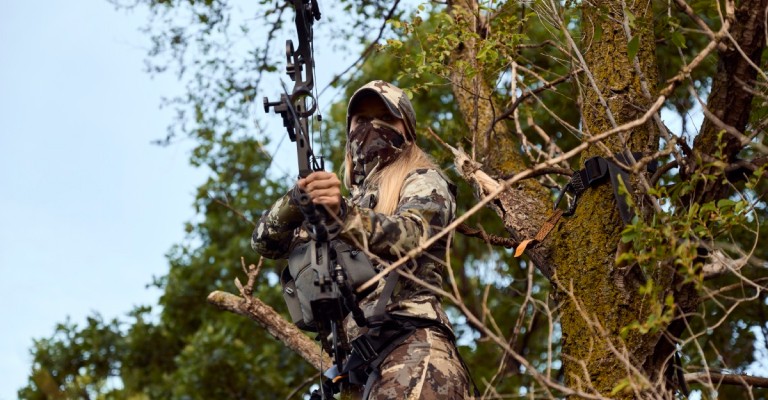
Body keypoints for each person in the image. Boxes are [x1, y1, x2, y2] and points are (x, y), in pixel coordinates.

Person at [252, 80, 473, 399]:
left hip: (413, 352)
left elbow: (414, 235)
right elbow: (264, 242)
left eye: (384, 116)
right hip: (359, 373)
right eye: (361, 119)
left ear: (406, 130)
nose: (371, 125)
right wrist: (299, 200)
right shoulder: (344, 203)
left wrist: (342, 214)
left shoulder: (423, 179)